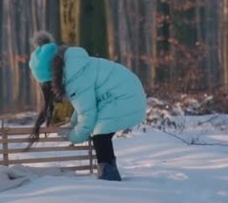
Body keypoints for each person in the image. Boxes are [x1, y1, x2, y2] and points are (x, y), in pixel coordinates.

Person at [27, 31, 147, 181]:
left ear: (51, 77)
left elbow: (88, 116)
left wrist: (73, 136)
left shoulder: (74, 79)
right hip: (123, 94)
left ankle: (109, 176)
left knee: (100, 131)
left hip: (125, 98)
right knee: (100, 131)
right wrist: (73, 123)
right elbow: (85, 105)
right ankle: (108, 170)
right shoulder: (73, 68)